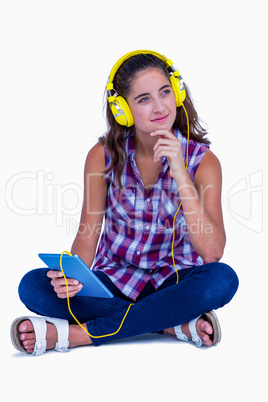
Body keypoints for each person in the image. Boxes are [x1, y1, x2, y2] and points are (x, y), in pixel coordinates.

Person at [11, 50, 239, 355]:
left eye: (165, 93)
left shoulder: (203, 161)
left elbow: (212, 253)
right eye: (144, 99)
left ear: (177, 93)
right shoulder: (102, 155)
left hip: (174, 280)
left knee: (222, 280)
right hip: (115, 280)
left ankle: (76, 335)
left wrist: (181, 174)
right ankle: (170, 324)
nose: (159, 107)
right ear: (123, 109)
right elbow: (88, 233)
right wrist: (71, 279)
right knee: (33, 286)